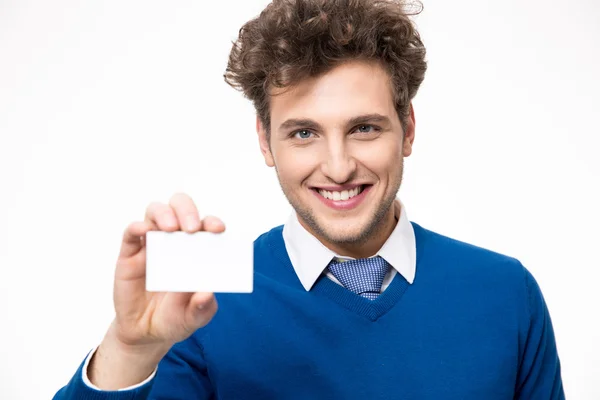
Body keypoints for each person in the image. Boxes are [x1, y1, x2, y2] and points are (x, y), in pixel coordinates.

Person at [53, 0, 564, 398]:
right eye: (303, 133)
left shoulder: (505, 293)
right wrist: (129, 348)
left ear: (407, 129)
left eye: (364, 128)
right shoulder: (200, 302)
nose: (338, 166)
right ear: (264, 140)